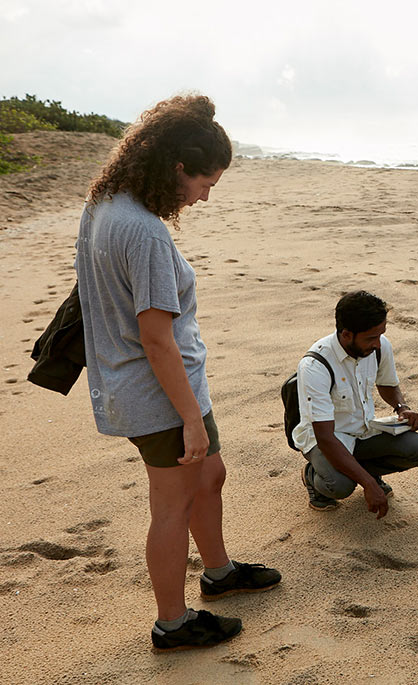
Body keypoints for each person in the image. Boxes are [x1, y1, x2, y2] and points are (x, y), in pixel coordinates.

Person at [76, 95, 281, 651]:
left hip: (161, 386)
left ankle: (218, 573)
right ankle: (172, 622)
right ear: (176, 168)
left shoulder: (105, 202)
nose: (206, 196)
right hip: (160, 394)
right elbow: (156, 339)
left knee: (209, 477)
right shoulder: (143, 231)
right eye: (205, 183)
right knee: (172, 504)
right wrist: (189, 417)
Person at [293, 290, 418, 518]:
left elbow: (387, 384)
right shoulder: (314, 366)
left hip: (364, 431)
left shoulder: (379, 346)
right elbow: (326, 438)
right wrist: (369, 484)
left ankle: (361, 469)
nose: (378, 344)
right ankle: (312, 475)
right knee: (340, 486)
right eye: (371, 338)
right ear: (347, 334)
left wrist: (402, 408)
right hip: (327, 439)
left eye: (380, 335)